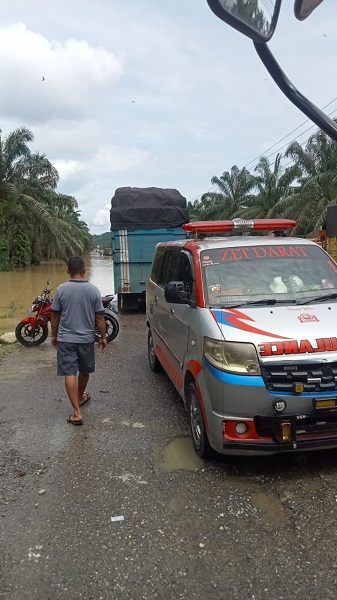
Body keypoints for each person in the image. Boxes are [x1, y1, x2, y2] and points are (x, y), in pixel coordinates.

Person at [51, 256, 108, 426]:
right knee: (84, 370)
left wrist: (54, 336)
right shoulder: (93, 290)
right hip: (86, 339)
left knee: (70, 372)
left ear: (68, 271)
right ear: (84, 271)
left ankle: (77, 412)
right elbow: (99, 317)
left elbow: (55, 315)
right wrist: (104, 337)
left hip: (66, 339)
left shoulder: (61, 290)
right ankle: (80, 396)